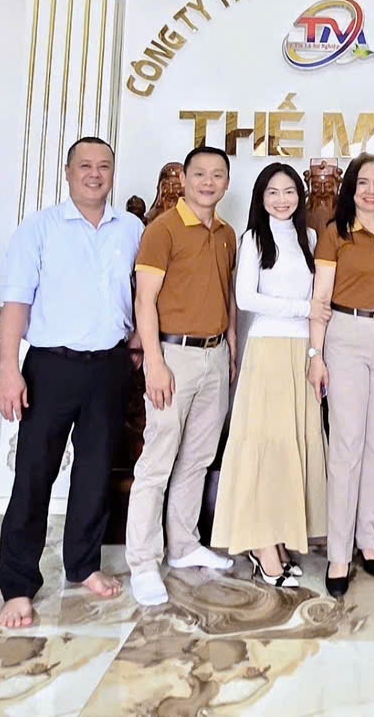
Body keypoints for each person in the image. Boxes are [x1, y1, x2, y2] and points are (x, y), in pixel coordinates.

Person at [0, 136, 142, 628]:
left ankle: (82, 565)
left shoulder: (132, 229)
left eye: (104, 166)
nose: (94, 175)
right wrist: (9, 369)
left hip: (110, 366)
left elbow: (143, 295)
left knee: (95, 472)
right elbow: (16, 304)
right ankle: (18, 585)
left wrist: (137, 345)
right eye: (85, 166)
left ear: (113, 173)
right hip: (51, 366)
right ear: (67, 171)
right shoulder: (38, 228)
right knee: (34, 474)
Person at [126, 145, 239, 607]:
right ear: (185, 180)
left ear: (226, 182)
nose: (208, 182)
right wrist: (154, 362)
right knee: (157, 461)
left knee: (198, 457)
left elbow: (227, 296)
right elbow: (144, 300)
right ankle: (142, 562)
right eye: (200, 174)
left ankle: (184, 544)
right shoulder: (163, 229)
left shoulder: (227, 233)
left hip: (215, 355)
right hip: (174, 356)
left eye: (217, 175)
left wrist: (231, 347)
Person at [210, 162, 329, 588]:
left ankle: (278, 539)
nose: (282, 199)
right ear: (261, 199)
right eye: (273, 192)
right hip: (268, 350)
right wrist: (303, 308)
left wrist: (315, 349)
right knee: (265, 447)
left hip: (302, 351)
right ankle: (261, 546)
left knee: (291, 448)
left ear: (300, 196)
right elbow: (246, 298)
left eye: (289, 191)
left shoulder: (309, 238)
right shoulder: (253, 239)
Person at [307, 152, 374, 598]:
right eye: (363, 182)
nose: (371, 190)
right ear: (351, 188)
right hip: (345, 335)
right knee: (346, 445)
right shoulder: (335, 233)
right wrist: (316, 355)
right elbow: (320, 299)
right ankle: (339, 552)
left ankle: (369, 539)